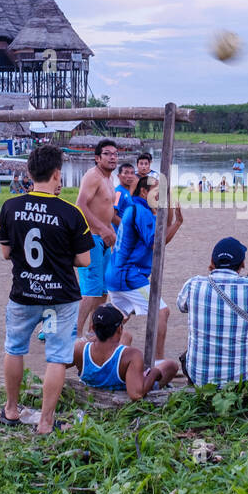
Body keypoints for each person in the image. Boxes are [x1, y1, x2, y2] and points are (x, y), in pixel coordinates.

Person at [0, 144, 93, 434]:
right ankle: (46, 422)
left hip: (24, 293)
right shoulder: (70, 213)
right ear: (57, 175)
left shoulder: (10, 207)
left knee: (14, 348)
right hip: (59, 298)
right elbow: (84, 260)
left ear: (29, 173)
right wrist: (60, 256)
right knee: (57, 356)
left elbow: (5, 253)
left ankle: (11, 410)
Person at [177, 238, 248, 386]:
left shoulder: (193, 284)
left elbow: (181, 306)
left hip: (198, 377)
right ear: (242, 264)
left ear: (212, 262)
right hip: (240, 379)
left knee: (193, 346)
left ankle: (198, 390)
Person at [106, 173, 183, 354]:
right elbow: (157, 243)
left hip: (116, 273)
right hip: (129, 277)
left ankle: (94, 355)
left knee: (116, 320)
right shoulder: (142, 211)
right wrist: (178, 223)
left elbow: (163, 233)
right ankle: (157, 362)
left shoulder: (137, 208)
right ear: (143, 191)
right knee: (161, 312)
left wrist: (175, 219)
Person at [74, 305, 180, 398]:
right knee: (171, 365)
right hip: (123, 392)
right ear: (120, 329)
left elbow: (59, 363)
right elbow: (136, 394)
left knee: (126, 337)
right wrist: (154, 373)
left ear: (93, 328)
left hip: (93, 385)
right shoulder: (132, 355)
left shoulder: (80, 349)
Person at [75, 139, 120, 337]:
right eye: (108, 154)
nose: (112, 157)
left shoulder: (109, 179)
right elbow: (80, 206)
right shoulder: (93, 176)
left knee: (102, 292)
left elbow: (105, 210)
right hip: (91, 239)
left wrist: (112, 231)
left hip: (104, 241)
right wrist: (102, 230)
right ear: (97, 158)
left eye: (115, 154)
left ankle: (93, 332)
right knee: (90, 292)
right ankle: (74, 335)